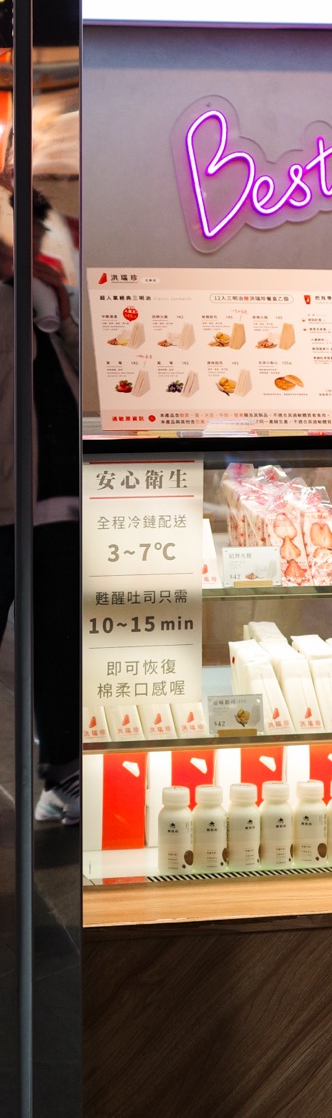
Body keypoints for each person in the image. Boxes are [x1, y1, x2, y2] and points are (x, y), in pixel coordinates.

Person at [0, 181, 81, 824]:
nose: (27, 241)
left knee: (57, 642)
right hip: (5, 503)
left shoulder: (44, 291)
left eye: (32, 229)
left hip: (58, 500)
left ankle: (64, 772)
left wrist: (62, 313)